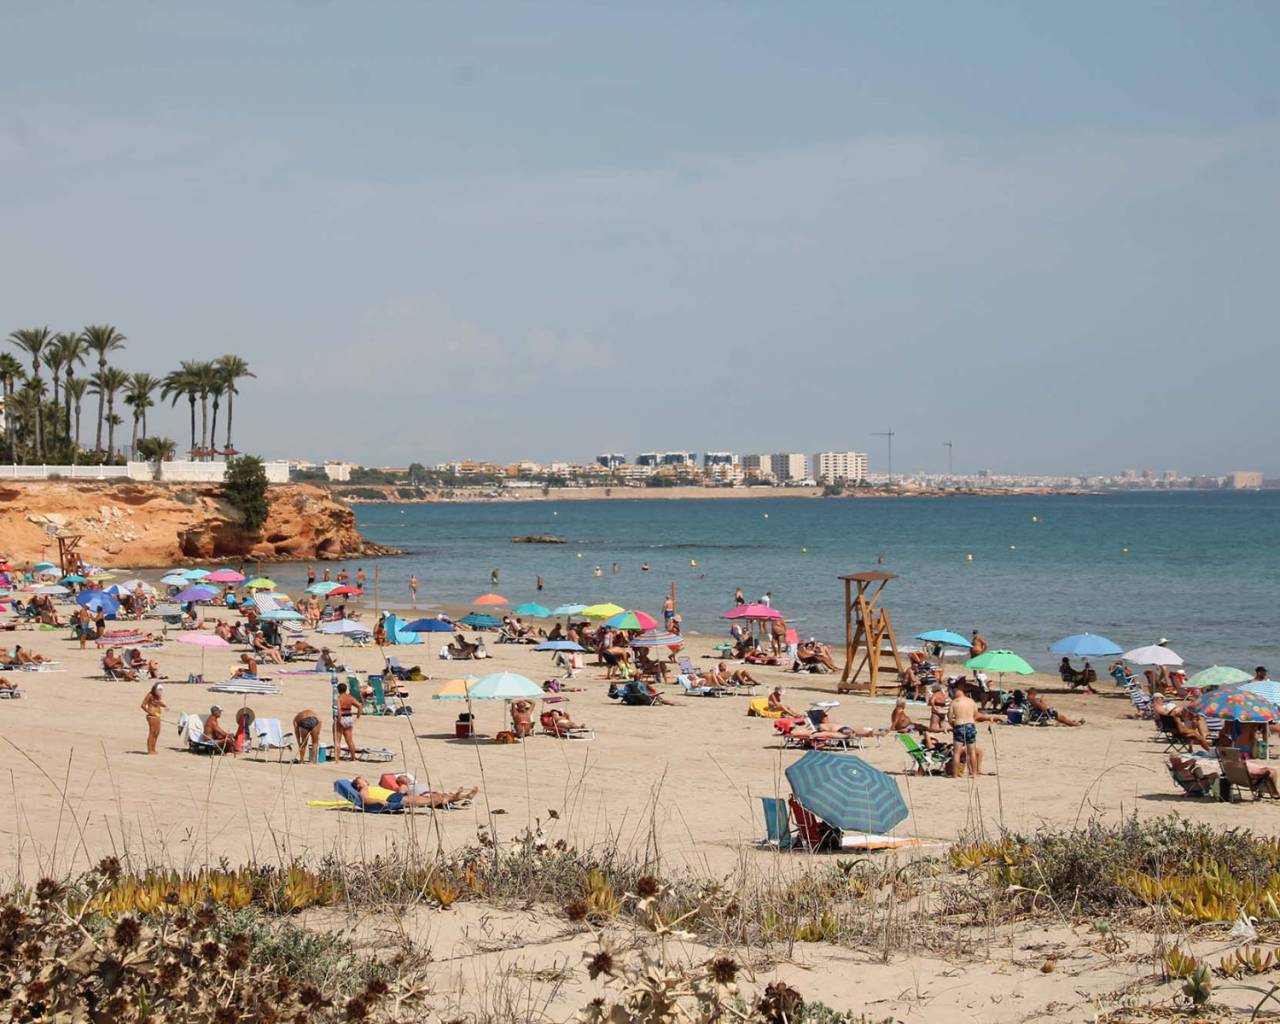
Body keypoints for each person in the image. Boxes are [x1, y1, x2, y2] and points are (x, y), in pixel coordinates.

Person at [350, 776, 478, 809]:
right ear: (358, 785)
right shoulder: (364, 789)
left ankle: (458, 797)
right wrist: (379, 800)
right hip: (392, 799)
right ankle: (448, 799)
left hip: (395, 796)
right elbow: (364, 799)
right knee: (429, 799)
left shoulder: (372, 787)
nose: (365, 781)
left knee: (432, 797)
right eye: (362, 781)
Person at [947, 684, 983, 777]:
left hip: (959, 725)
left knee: (957, 752)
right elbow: (976, 715)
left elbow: (949, 718)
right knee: (972, 751)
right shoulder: (971, 701)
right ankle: (974, 773)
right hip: (970, 725)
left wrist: (953, 725)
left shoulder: (954, 702)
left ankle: (955, 774)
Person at [334, 681, 362, 761]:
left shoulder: (339, 698)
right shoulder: (350, 697)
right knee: (349, 740)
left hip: (341, 717)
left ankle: (337, 758)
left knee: (337, 740)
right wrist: (357, 717)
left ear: (338, 690)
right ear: (346, 689)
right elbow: (360, 706)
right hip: (349, 717)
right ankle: (353, 757)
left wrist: (339, 720)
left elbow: (339, 710)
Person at [141, 683, 166, 755]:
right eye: (159, 690)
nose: (160, 691)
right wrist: (150, 712)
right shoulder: (150, 695)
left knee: (157, 733)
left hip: (157, 715)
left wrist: (164, 705)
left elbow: (158, 702)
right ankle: (149, 750)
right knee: (152, 732)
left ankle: (153, 749)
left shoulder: (158, 696)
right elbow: (143, 705)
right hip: (152, 716)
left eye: (161, 690)